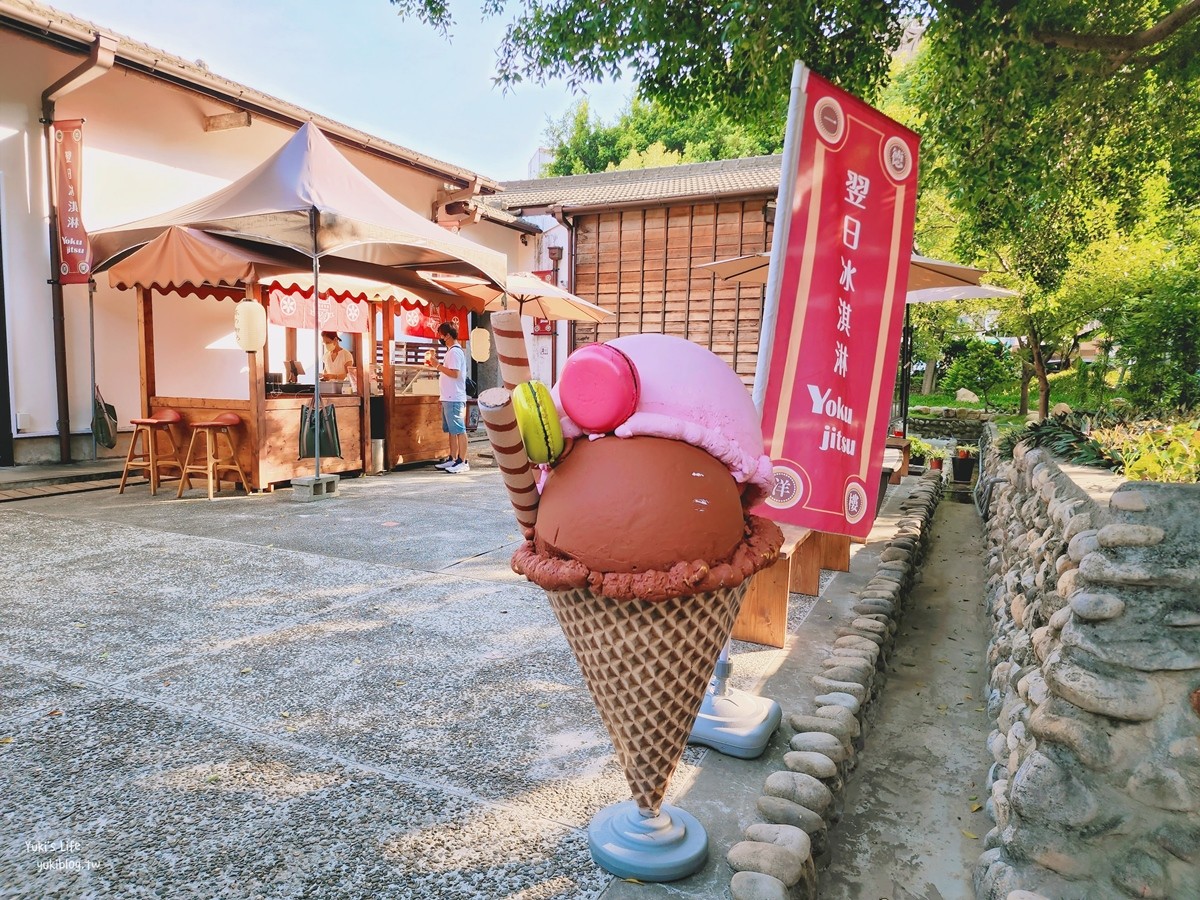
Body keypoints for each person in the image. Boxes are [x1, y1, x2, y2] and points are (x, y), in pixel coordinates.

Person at [428, 322, 469, 473]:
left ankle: (462, 461)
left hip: (454, 397)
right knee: (452, 430)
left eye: (441, 334)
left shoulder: (455, 352)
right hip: (448, 396)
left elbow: (455, 373)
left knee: (459, 429)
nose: (440, 338)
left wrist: (437, 365)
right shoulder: (451, 351)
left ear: (448, 335)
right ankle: (453, 458)